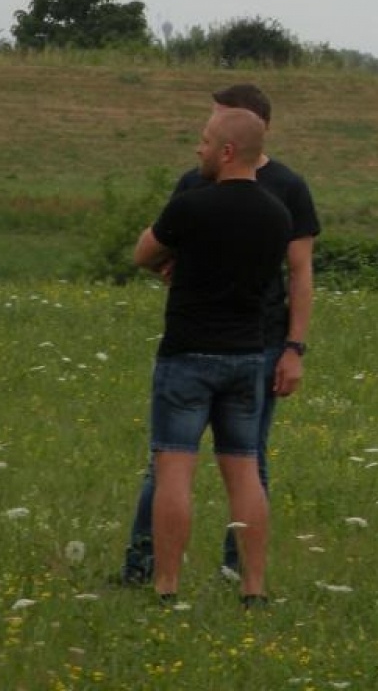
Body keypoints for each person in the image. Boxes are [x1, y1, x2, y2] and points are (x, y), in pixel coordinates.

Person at [121, 83, 320, 585]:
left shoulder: (279, 190)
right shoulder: (258, 206)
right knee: (242, 466)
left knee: (182, 466)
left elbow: (298, 273)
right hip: (246, 350)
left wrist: (293, 347)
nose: (200, 142)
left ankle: (175, 581)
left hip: (219, 347)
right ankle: (244, 586)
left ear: (239, 137)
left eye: (212, 129)